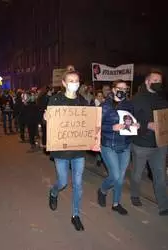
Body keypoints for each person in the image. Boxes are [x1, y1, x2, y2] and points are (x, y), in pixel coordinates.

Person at [46, 70, 88, 231]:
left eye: (76, 80)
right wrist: (46, 119)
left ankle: (75, 215)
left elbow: (89, 123)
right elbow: (51, 125)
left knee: (78, 184)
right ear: (64, 83)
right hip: (61, 150)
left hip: (78, 151)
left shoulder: (83, 102)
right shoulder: (55, 100)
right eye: (70, 80)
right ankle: (54, 193)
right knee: (63, 182)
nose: (74, 83)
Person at [97, 80, 139, 215]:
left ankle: (116, 203)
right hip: (109, 145)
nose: (123, 91)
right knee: (115, 176)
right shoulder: (105, 106)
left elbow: (132, 120)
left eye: (125, 89)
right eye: (120, 88)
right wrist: (111, 127)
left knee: (120, 178)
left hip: (125, 145)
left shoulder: (129, 104)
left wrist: (136, 125)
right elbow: (96, 126)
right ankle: (102, 190)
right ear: (113, 89)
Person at [130, 70, 168, 216]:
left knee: (160, 176)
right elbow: (129, 120)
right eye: (154, 80)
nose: (157, 82)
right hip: (141, 144)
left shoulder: (163, 99)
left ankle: (163, 205)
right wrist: (147, 124)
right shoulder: (137, 99)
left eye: (160, 80)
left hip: (160, 145)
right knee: (137, 174)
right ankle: (135, 194)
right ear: (147, 81)